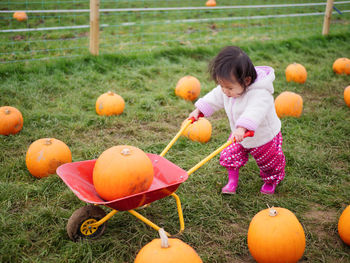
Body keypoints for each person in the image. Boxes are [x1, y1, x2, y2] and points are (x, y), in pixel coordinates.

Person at [188, 46, 285, 195]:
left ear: (246, 81)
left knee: (269, 162)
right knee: (229, 155)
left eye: (229, 87)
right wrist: (199, 110)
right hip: (239, 135)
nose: (225, 91)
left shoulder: (260, 93)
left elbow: (255, 111)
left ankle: (271, 180)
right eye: (222, 86)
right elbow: (215, 97)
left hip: (264, 138)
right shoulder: (228, 89)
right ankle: (232, 181)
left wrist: (242, 127)